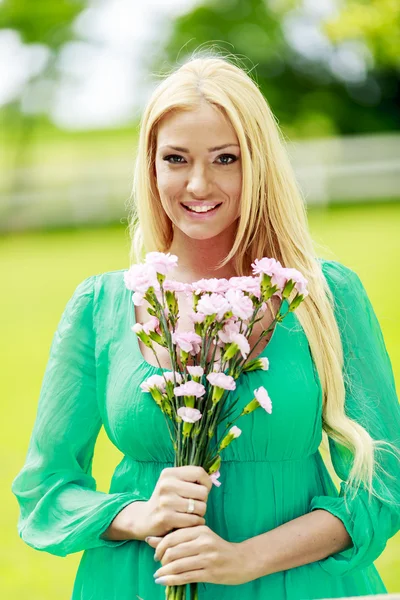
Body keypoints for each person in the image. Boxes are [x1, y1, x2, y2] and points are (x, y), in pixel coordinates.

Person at [12, 53, 400, 600]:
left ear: (259, 164)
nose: (198, 184)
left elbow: (384, 486)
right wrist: (137, 514)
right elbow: (46, 490)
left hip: (296, 586)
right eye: (176, 159)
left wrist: (245, 560)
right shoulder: (100, 306)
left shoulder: (325, 297)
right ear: (152, 168)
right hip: (139, 583)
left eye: (225, 158)